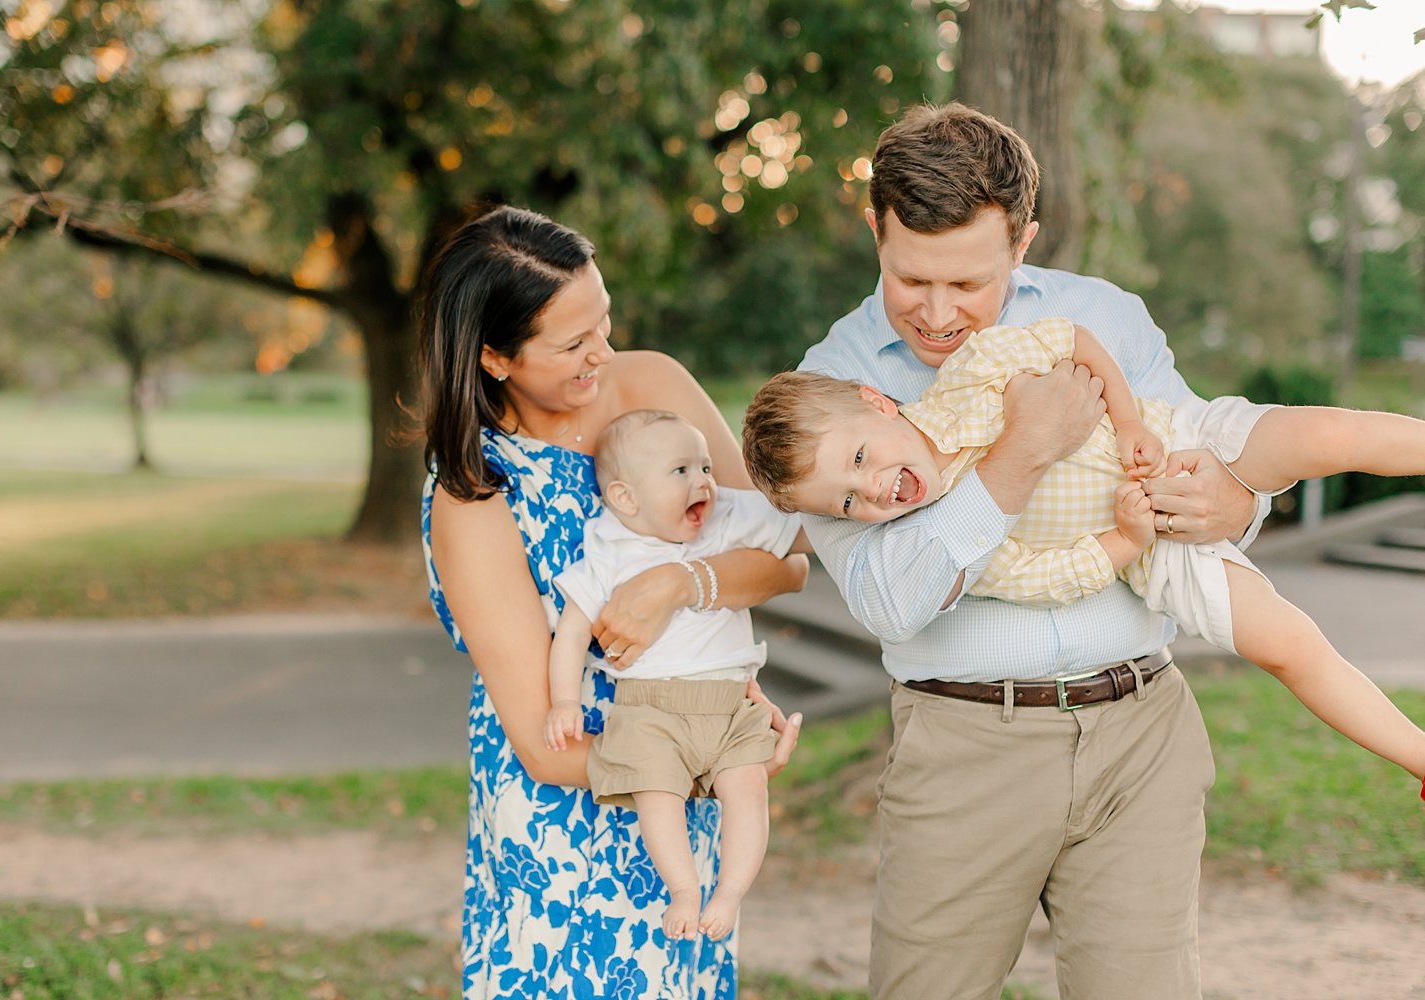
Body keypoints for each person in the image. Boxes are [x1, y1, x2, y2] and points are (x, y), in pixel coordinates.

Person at [786, 101, 1276, 1000]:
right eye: (910, 279)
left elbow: (1197, 457)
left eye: (968, 282)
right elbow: (891, 599)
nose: (937, 315)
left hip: (1140, 731)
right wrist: (1021, 453)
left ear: (1023, 241)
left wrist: (1237, 502)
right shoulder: (830, 392)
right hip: (963, 745)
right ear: (874, 230)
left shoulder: (1106, 316)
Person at [742, 316, 1425, 787]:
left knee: (1329, 436)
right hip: (1158, 550)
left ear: (877, 401)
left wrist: (1128, 420)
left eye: (860, 458)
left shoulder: (972, 372)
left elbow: (1072, 339)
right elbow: (1051, 577)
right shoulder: (963, 541)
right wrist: (1127, 539)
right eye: (849, 503)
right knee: (1288, 645)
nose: (874, 489)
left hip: (1175, 438)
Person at [419, 204, 807, 999]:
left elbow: (786, 558)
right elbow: (538, 742)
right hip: (564, 817)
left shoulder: (653, 386)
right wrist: (704, 763)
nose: (603, 352)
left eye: (603, 320)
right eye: (571, 344)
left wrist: (681, 584)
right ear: (495, 357)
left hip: (683, 782)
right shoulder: (475, 492)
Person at [544, 409, 803, 942]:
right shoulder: (609, 547)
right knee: (655, 793)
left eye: (704, 466)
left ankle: (730, 892)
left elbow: (805, 527)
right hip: (650, 709)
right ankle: (685, 889)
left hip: (731, 703)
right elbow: (571, 632)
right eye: (680, 470)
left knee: (748, 789)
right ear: (625, 499)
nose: (703, 480)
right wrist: (564, 701)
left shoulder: (726, 515)